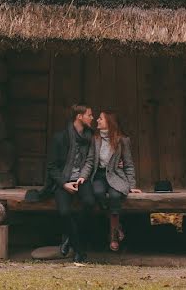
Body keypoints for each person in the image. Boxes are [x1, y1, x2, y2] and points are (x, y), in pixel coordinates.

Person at [29, 104, 97, 263]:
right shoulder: (60, 137)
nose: (92, 118)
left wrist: (82, 177)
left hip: (81, 179)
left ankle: (69, 238)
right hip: (63, 180)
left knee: (89, 202)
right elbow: (52, 167)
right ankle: (79, 249)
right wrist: (64, 184)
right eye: (89, 115)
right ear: (79, 117)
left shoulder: (90, 137)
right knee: (64, 212)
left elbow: (90, 160)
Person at [80, 109, 142, 252]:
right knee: (98, 193)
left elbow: (129, 164)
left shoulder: (122, 140)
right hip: (99, 175)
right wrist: (83, 176)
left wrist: (132, 185)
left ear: (109, 122)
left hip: (116, 175)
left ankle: (113, 235)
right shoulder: (95, 139)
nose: (97, 120)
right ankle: (117, 225)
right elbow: (90, 161)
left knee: (115, 196)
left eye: (100, 118)